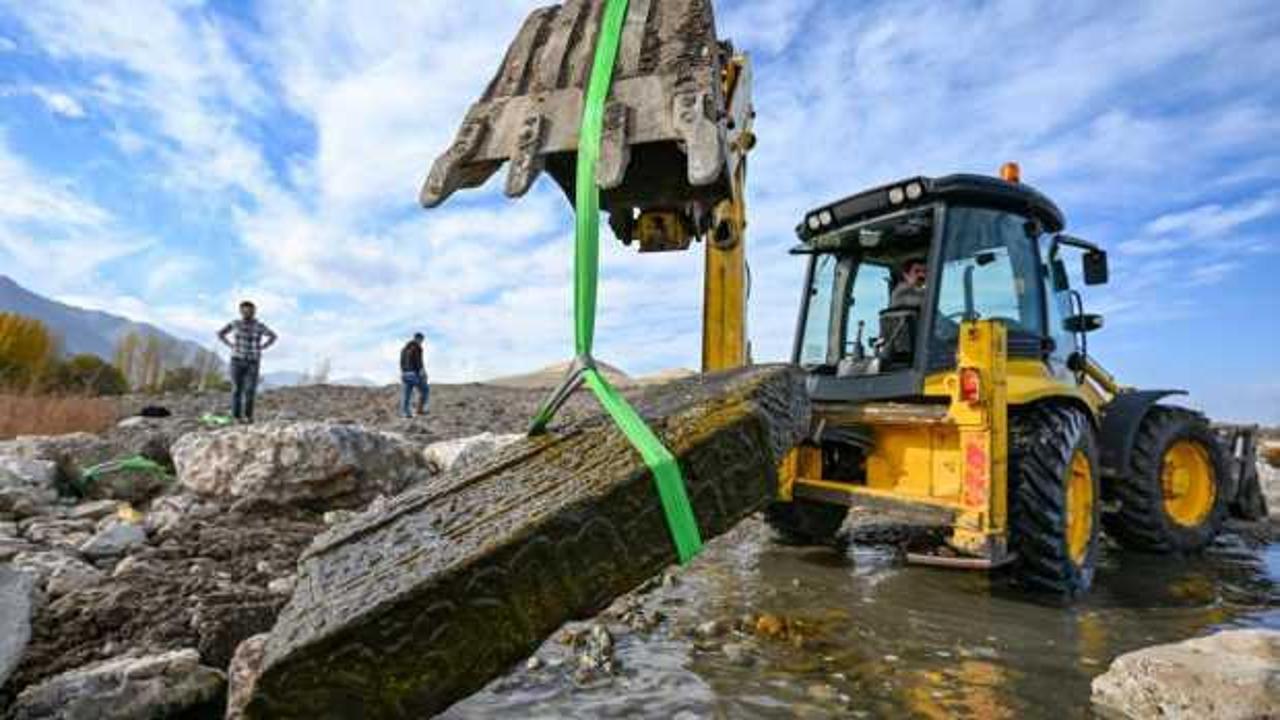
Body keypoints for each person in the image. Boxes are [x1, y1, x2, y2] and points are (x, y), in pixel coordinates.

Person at [217, 301, 277, 423]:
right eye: (244, 311)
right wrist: (230, 344)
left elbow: (273, 336)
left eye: (250, 311)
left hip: (253, 362)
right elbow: (220, 333)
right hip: (236, 360)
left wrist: (263, 346)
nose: (247, 313)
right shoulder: (235, 324)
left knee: (250, 390)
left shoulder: (259, 326)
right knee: (236, 389)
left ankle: (248, 416)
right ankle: (236, 417)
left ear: (254, 312)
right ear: (240, 311)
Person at [399, 332, 429, 418]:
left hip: (405, 374)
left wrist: (404, 372)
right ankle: (419, 410)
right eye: (421, 340)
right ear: (418, 338)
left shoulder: (404, 349)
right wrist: (422, 372)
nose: (422, 342)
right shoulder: (417, 347)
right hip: (414, 373)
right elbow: (418, 361)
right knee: (425, 390)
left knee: (407, 394)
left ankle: (406, 413)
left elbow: (401, 362)